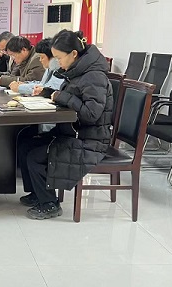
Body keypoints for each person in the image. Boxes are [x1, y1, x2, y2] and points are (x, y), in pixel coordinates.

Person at [17, 30, 113, 219]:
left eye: (60, 58)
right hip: (72, 132)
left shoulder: (94, 76)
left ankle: (50, 204)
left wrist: (62, 96)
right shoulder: (77, 71)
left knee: (35, 156)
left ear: (74, 54)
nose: (58, 62)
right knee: (25, 142)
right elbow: (71, 96)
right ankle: (37, 193)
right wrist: (48, 93)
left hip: (89, 141)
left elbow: (91, 115)